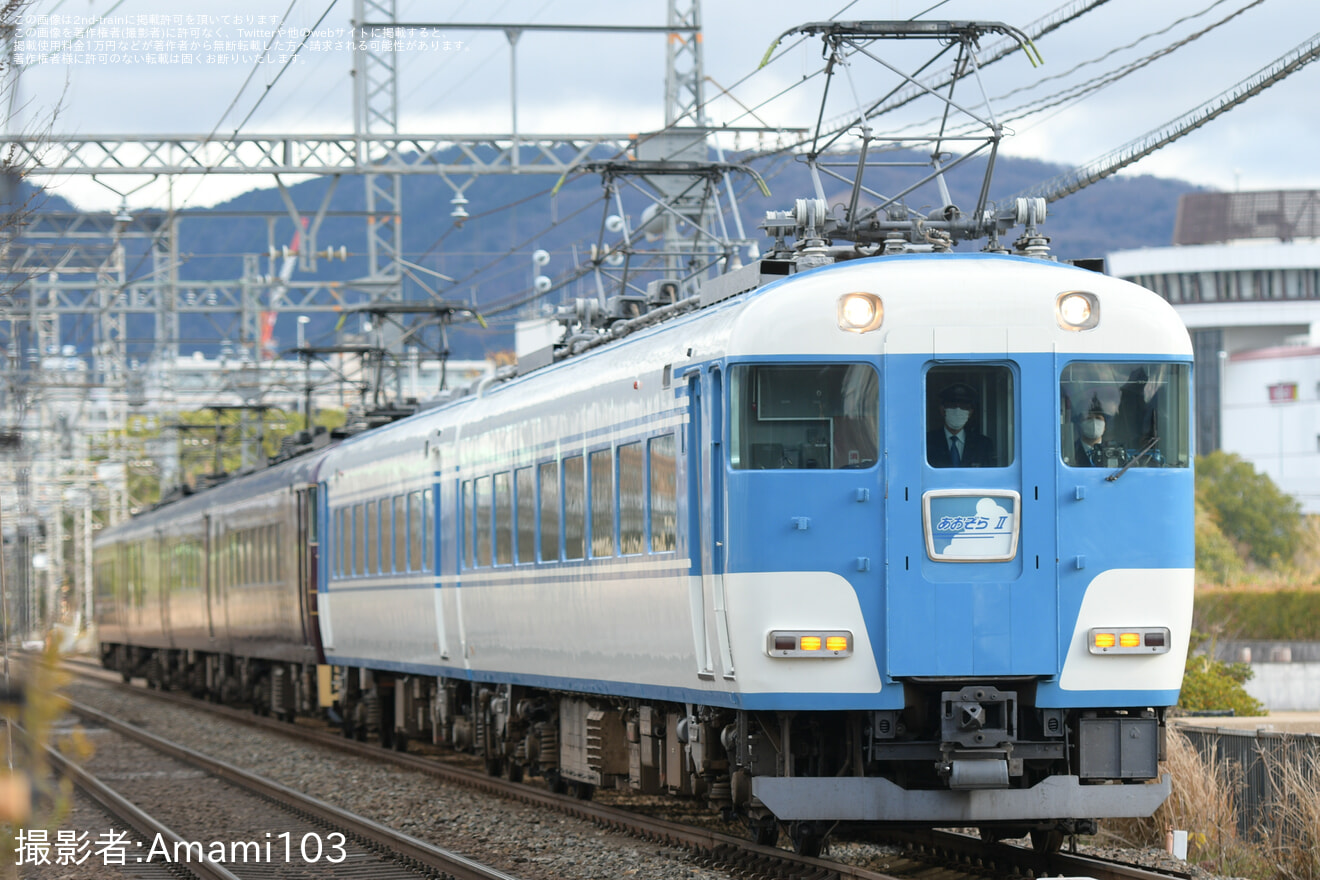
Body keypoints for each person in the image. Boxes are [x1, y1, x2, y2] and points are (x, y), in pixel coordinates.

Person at [927, 382, 995, 467]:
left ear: (970, 413)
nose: (957, 410)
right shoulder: (927, 442)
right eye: (952, 406)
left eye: (963, 407)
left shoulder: (983, 445)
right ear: (942, 410)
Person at [1074, 396, 1108, 466]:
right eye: (1088, 418)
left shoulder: (1112, 450)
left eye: (1098, 418)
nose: (1094, 422)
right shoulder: (1070, 450)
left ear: (1105, 426)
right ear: (1079, 424)